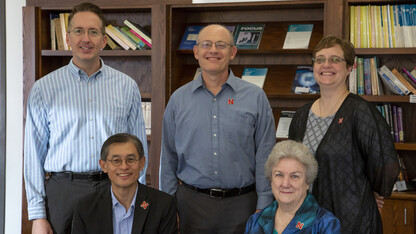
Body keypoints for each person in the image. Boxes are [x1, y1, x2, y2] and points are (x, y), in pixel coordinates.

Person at [24, 2, 148, 234]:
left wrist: (135, 195)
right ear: (68, 38)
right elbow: (33, 154)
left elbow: (139, 149)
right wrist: (38, 215)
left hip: (114, 188)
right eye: (78, 31)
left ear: (103, 40)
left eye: (93, 32)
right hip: (64, 192)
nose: (86, 39)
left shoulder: (126, 86)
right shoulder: (44, 89)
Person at [159, 24, 276, 233]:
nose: (213, 50)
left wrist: (264, 204)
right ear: (196, 52)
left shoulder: (256, 97)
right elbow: (168, 158)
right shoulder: (178, 100)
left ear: (232, 52)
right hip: (190, 206)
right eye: (206, 44)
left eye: (221, 45)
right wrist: (167, 206)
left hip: (244, 205)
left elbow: (266, 155)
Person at [288, 35, 400, 233]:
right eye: (320, 59)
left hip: (351, 220)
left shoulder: (361, 112)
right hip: (308, 219)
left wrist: (371, 192)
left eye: (335, 59)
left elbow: (386, 163)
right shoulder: (301, 116)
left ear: (350, 67)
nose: (326, 65)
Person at [71, 133, 177, 234]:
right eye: (116, 161)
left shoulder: (163, 205)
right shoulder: (86, 207)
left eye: (130, 159)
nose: (124, 167)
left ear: (142, 163)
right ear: (104, 165)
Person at [245, 140, 341, 233]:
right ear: (271, 179)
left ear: (307, 182)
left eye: (294, 176)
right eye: (279, 175)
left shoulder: (326, 224)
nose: (285, 184)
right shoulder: (255, 221)